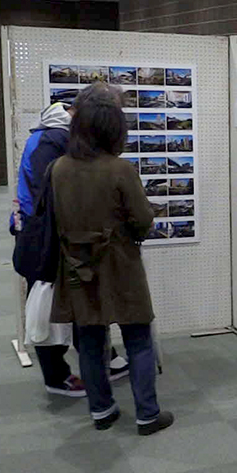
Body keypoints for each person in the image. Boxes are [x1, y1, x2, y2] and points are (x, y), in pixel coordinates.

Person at [50, 83, 173, 435]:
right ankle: (147, 414)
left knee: (89, 342)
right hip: (120, 265)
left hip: (77, 267)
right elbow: (143, 219)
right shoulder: (120, 169)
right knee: (138, 339)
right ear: (113, 128)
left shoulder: (59, 168)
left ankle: (101, 411)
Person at [11, 101, 130, 397]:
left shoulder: (48, 136)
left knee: (73, 304)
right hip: (47, 238)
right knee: (55, 306)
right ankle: (57, 376)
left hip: (46, 234)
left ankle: (103, 359)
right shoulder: (54, 142)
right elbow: (52, 195)